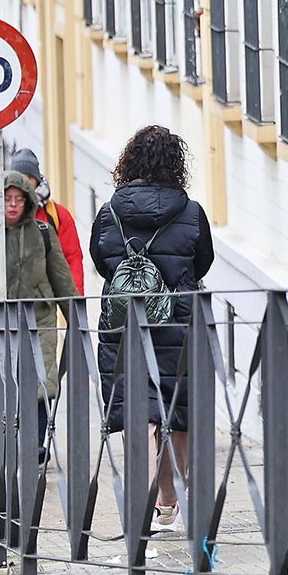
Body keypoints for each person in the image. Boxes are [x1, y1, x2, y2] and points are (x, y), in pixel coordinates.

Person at [88, 125, 214, 531]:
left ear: (129, 162)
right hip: (178, 320)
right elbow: (203, 261)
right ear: (175, 165)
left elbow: (101, 260)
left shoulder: (109, 211)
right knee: (178, 411)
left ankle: (139, 508)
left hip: (124, 323)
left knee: (136, 412)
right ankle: (170, 502)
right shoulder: (191, 211)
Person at [0, 171, 78, 446]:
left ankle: (36, 446)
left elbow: (62, 277)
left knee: (40, 384)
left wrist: (75, 318)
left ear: (28, 202)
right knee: (1, 385)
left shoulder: (43, 233)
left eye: (19, 199)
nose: (12, 205)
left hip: (39, 319)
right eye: (7, 198)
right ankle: (5, 444)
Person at [10, 149, 86, 294]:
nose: (24, 185)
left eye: (28, 178)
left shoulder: (58, 215)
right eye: (19, 178)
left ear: (37, 181)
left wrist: (75, 303)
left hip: (45, 303)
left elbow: (72, 258)